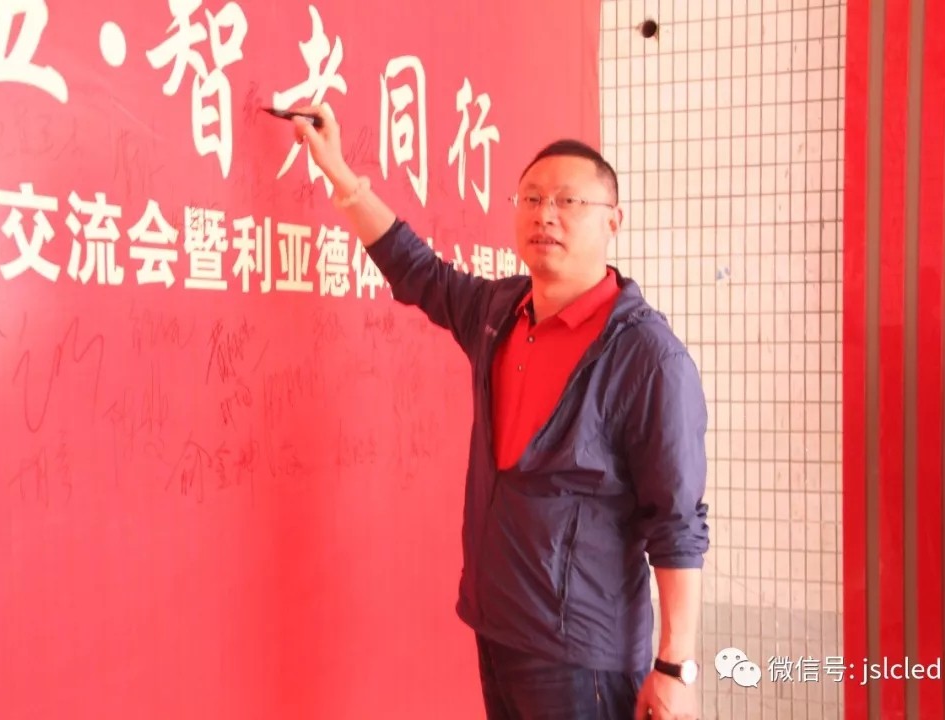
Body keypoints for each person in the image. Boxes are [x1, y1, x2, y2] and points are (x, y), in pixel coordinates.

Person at [289, 103, 710, 720]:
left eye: (568, 201)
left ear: (612, 222)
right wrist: (339, 173)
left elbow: (677, 521)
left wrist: (675, 666)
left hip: (581, 656)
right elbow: (417, 270)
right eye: (531, 198)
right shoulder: (499, 312)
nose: (545, 214)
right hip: (499, 629)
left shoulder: (648, 358)